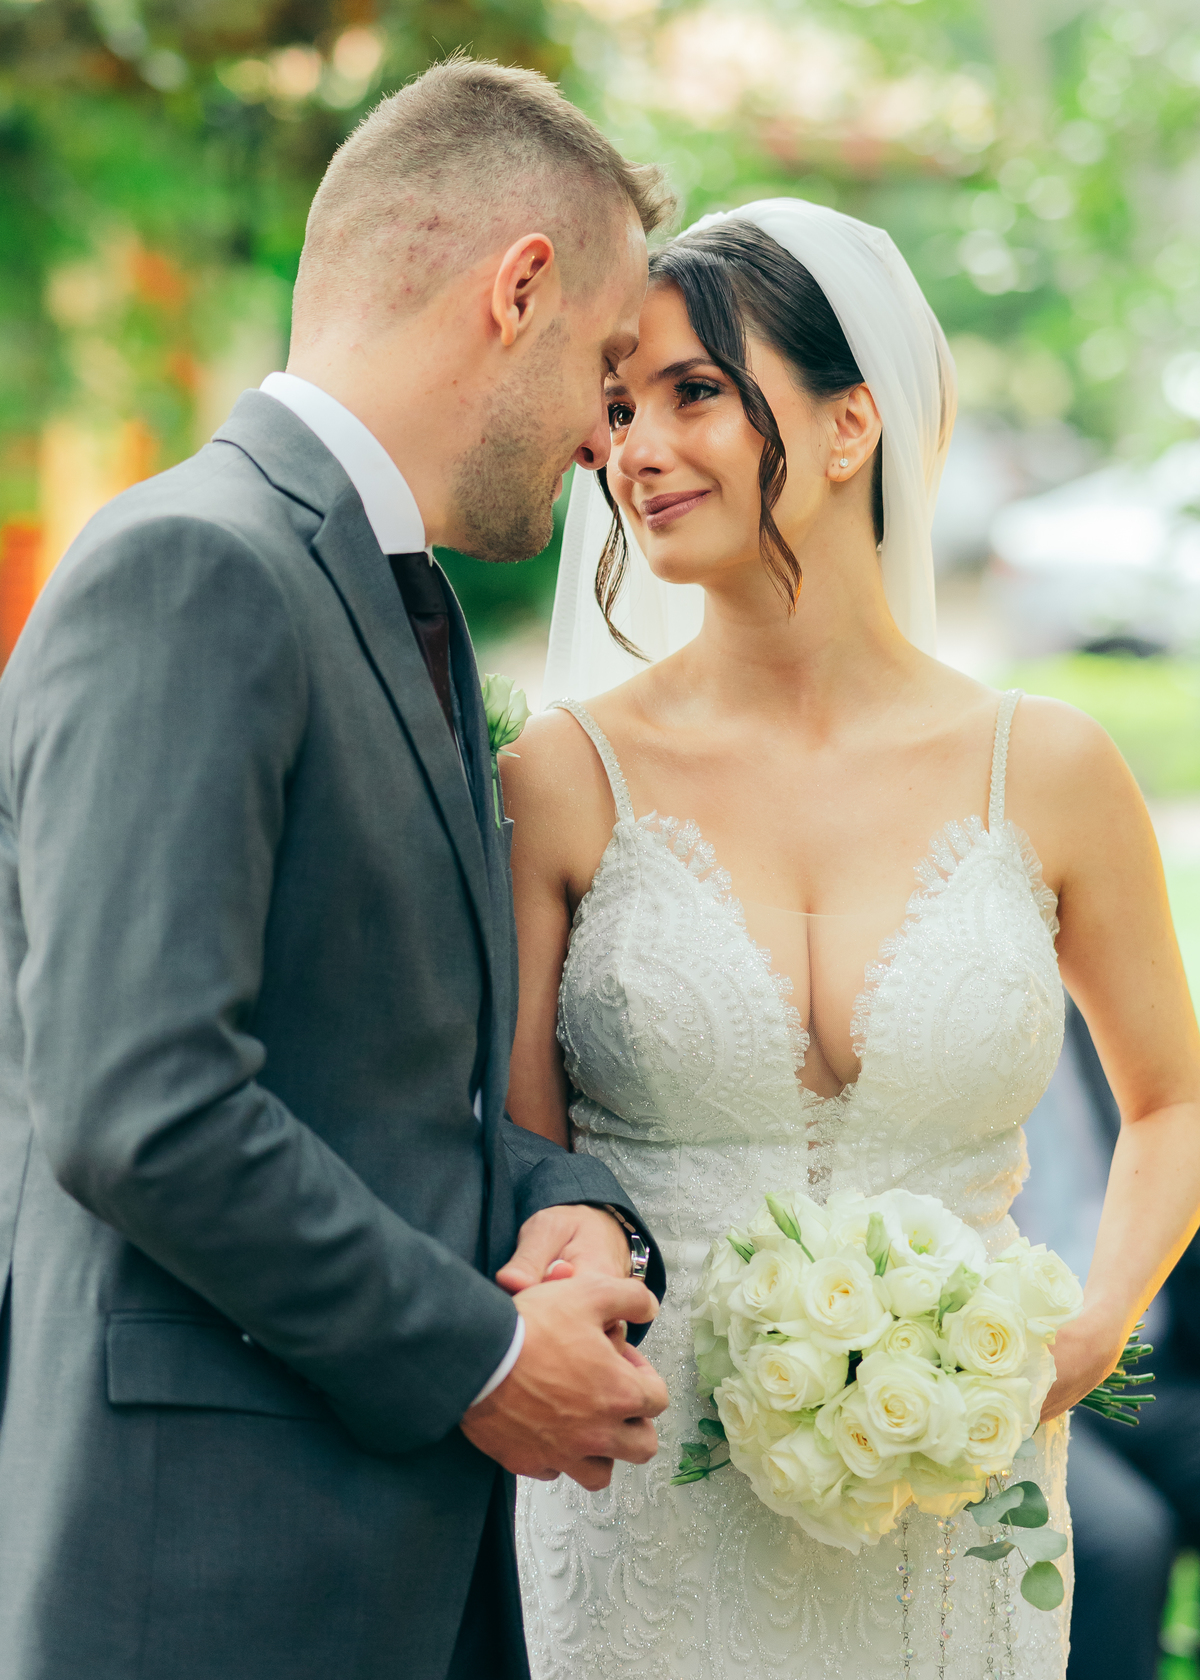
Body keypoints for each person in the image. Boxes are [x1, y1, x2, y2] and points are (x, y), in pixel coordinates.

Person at [0, 58, 676, 1680]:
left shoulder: (396, 610)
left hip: (385, 1582)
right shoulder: (194, 568)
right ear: (517, 289)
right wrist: (487, 1352)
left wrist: (574, 1213)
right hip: (205, 1579)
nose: (605, 438)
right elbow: (139, 1101)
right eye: (604, 363)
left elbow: (389, 1079)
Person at [502, 199, 1200, 1678]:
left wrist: (1078, 1339)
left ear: (849, 426)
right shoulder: (563, 783)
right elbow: (514, 1153)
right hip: (643, 1497)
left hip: (954, 1487)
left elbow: (1174, 1101)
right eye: (619, 404)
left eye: (697, 392)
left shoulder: (1052, 771)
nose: (635, 448)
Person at [1014, 1001, 1200, 1680]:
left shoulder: (1096, 1004)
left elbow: (1174, 1117)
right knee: (1123, 1543)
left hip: (1159, 1355)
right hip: (1017, 1383)